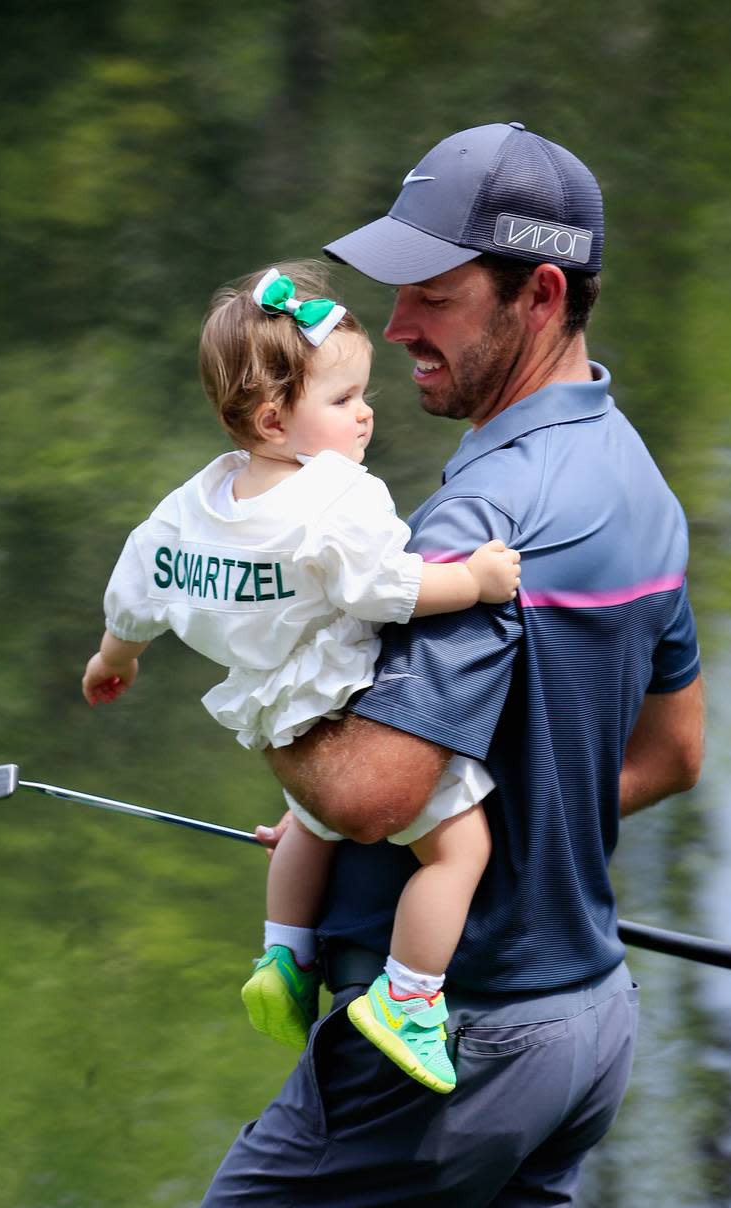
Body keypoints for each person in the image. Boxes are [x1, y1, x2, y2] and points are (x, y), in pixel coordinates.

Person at [154, 123, 704, 1208]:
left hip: (451, 1046)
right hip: (581, 1025)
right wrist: (394, 836)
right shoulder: (635, 480)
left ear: (541, 292)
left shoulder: (475, 523)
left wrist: (261, 687)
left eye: (437, 297)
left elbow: (368, 787)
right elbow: (669, 756)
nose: (398, 327)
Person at [81, 261, 521, 1095]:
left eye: (364, 394)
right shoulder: (336, 497)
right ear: (274, 416)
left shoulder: (194, 503)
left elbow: (136, 591)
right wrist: (478, 580)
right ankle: (411, 1001)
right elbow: (388, 591)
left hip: (274, 713)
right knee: (460, 851)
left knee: (306, 825)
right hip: (351, 702)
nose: (366, 413)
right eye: (345, 399)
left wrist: (115, 660)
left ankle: (284, 956)